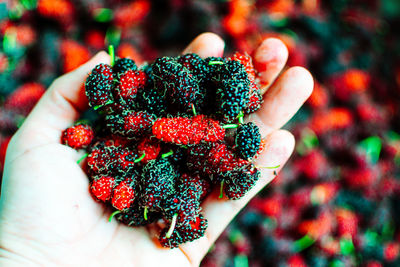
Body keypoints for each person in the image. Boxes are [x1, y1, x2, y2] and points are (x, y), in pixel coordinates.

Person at [0, 33, 313, 267]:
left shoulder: (206, 140)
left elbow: (188, 158)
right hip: (143, 158)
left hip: (177, 152)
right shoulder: (131, 135)